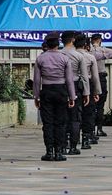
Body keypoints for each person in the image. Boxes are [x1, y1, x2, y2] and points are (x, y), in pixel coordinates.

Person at [33, 32, 76, 161]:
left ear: (47, 45)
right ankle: (59, 152)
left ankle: (49, 151)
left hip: (46, 91)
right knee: (60, 123)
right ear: (58, 45)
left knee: (48, 123)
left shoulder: (40, 58)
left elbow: (36, 80)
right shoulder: (64, 58)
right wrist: (72, 96)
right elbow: (69, 79)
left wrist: (36, 96)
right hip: (61, 91)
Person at [61, 31, 90, 154]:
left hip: (61, 87)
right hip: (75, 86)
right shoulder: (79, 56)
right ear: (73, 40)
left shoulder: (59, 54)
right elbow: (84, 76)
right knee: (75, 118)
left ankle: (62, 145)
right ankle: (73, 146)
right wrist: (86, 93)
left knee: (61, 117)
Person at [75, 34, 102, 146]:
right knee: (89, 112)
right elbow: (95, 76)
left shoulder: (69, 55)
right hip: (89, 85)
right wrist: (97, 92)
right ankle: (86, 138)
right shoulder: (90, 57)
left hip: (73, 84)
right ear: (86, 45)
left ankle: (72, 138)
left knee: (74, 113)